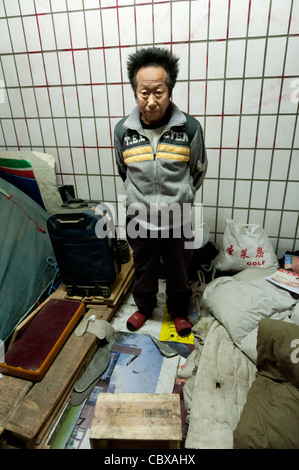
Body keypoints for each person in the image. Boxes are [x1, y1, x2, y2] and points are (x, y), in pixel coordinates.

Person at [114, 47, 207, 337]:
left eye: (159, 92)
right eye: (144, 92)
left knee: (180, 270)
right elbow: (123, 170)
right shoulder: (122, 132)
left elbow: (197, 170)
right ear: (135, 92)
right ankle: (144, 308)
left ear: (170, 91)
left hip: (178, 216)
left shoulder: (189, 128)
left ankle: (179, 311)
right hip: (138, 216)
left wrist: (179, 197)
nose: (151, 101)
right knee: (143, 268)